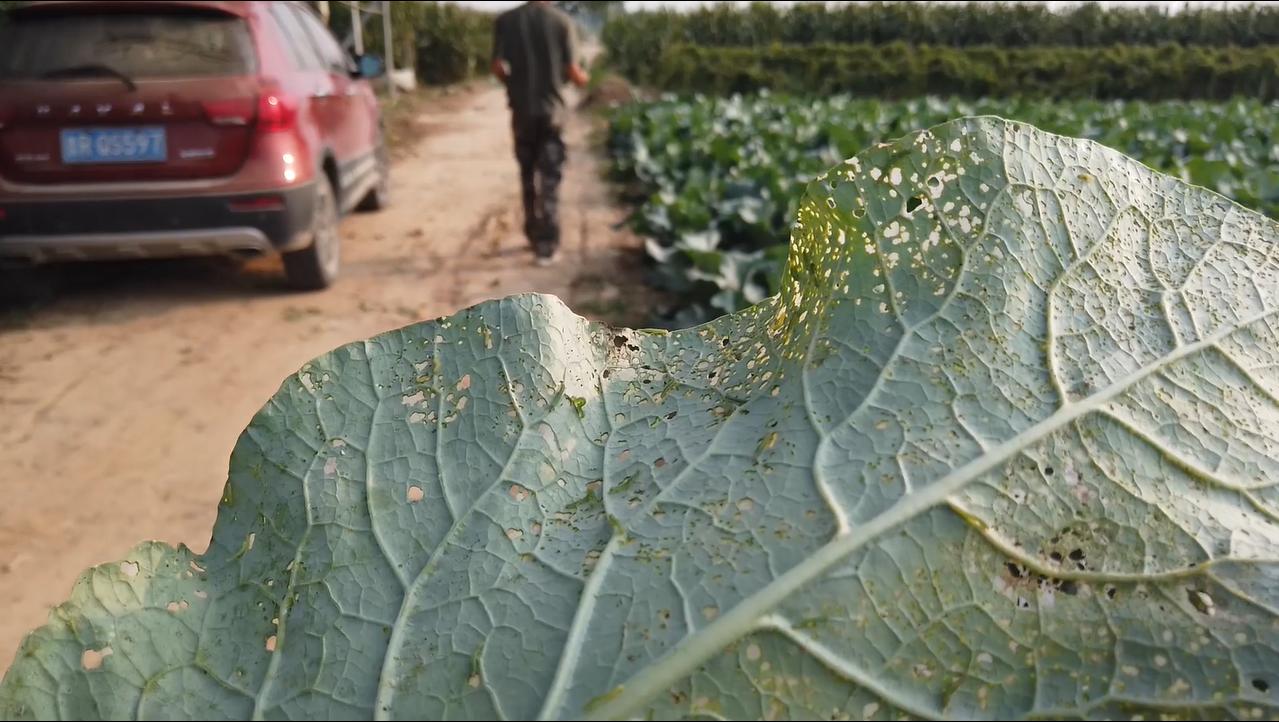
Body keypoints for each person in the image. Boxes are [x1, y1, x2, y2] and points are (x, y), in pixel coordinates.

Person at [491, 1, 590, 266]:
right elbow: (573, 71)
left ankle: (531, 232)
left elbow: (498, 66)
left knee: (526, 175)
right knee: (549, 178)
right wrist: (584, 79)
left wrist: (514, 84)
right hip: (552, 114)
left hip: (521, 111)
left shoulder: (506, 21)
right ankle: (546, 245)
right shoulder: (561, 23)